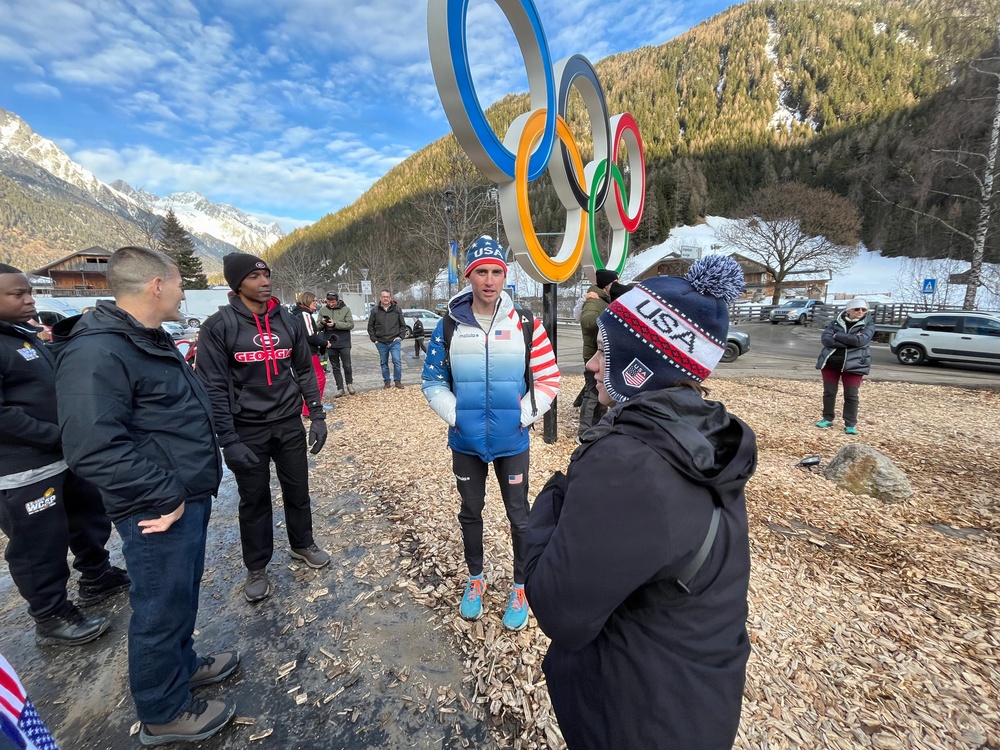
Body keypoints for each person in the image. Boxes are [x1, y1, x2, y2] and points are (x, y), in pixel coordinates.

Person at [523, 257, 756, 750]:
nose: (590, 364)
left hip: (634, 718)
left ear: (640, 368)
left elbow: (558, 612)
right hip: (692, 702)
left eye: (606, 352)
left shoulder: (631, 464)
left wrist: (552, 498)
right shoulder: (703, 436)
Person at [52, 247, 237, 746]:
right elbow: (91, 447)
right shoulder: (98, 351)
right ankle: (164, 711)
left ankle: (182, 668)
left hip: (182, 494)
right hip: (156, 506)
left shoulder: (144, 338)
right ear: (156, 285)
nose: (183, 293)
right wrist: (163, 493)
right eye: (179, 284)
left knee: (181, 595)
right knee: (159, 608)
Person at [422, 236, 560, 631]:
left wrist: (523, 416)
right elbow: (432, 380)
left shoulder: (527, 324)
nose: (489, 280)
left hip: (512, 441)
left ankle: (520, 585)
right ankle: (476, 580)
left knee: (521, 517)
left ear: (504, 275)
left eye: (496, 271)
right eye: (481, 271)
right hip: (465, 443)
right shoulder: (449, 324)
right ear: (469, 276)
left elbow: (548, 379)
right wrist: (457, 417)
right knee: (471, 513)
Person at [0, 264, 128, 647]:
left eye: (28, 292)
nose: (30, 299)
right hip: (24, 470)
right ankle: (51, 615)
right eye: (17, 294)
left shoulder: (22, 337)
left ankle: (96, 574)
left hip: (63, 457)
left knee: (87, 515)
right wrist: (54, 435)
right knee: (40, 543)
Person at [196, 253, 330, 605]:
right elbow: (211, 386)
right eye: (254, 276)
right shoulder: (218, 326)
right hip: (247, 429)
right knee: (253, 501)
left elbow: (304, 369)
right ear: (237, 284)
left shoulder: (287, 320)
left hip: (287, 423)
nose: (264, 281)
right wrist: (227, 439)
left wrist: (316, 415)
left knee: (298, 490)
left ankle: (302, 544)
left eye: (266, 274)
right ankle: (257, 567)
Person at [815, 297, 874, 435]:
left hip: (855, 364)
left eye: (863, 310)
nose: (860, 312)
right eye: (857, 309)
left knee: (851, 395)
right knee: (829, 393)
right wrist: (849, 341)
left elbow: (861, 341)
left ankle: (850, 423)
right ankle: (827, 418)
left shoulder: (868, 325)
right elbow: (826, 340)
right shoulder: (835, 322)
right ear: (849, 310)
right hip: (831, 362)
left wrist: (837, 335)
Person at [578, 268, 618, 440]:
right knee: (593, 393)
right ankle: (584, 432)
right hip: (594, 354)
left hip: (600, 352)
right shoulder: (594, 301)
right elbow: (587, 322)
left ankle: (597, 426)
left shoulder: (602, 299)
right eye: (615, 282)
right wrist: (609, 321)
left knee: (600, 392)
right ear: (607, 285)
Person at [293, 292, 328, 410]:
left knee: (307, 379)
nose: (316, 303)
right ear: (307, 301)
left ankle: (307, 407)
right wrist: (325, 343)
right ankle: (311, 407)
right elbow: (310, 336)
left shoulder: (296, 314)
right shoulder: (305, 314)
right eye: (314, 301)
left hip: (301, 351)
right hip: (308, 352)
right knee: (319, 378)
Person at [317, 292, 355, 396]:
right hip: (330, 342)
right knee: (335, 366)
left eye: (333, 302)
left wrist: (335, 324)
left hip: (344, 341)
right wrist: (323, 323)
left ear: (337, 300)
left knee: (347, 365)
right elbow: (317, 326)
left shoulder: (346, 309)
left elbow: (350, 324)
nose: (331, 304)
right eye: (329, 302)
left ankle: (349, 384)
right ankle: (340, 388)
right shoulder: (323, 310)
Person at [368, 289, 406, 388]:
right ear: (380, 298)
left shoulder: (397, 309)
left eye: (387, 297)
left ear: (390, 298)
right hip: (381, 342)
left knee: (397, 361)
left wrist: (400, 337)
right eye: (384, 297)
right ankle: (387, 382)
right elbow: (370, 326)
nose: (385, 298)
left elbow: (403, 325)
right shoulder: (375, 310)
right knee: (383, 362)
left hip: (394, 341)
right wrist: (374, 339)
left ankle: (397, 381)